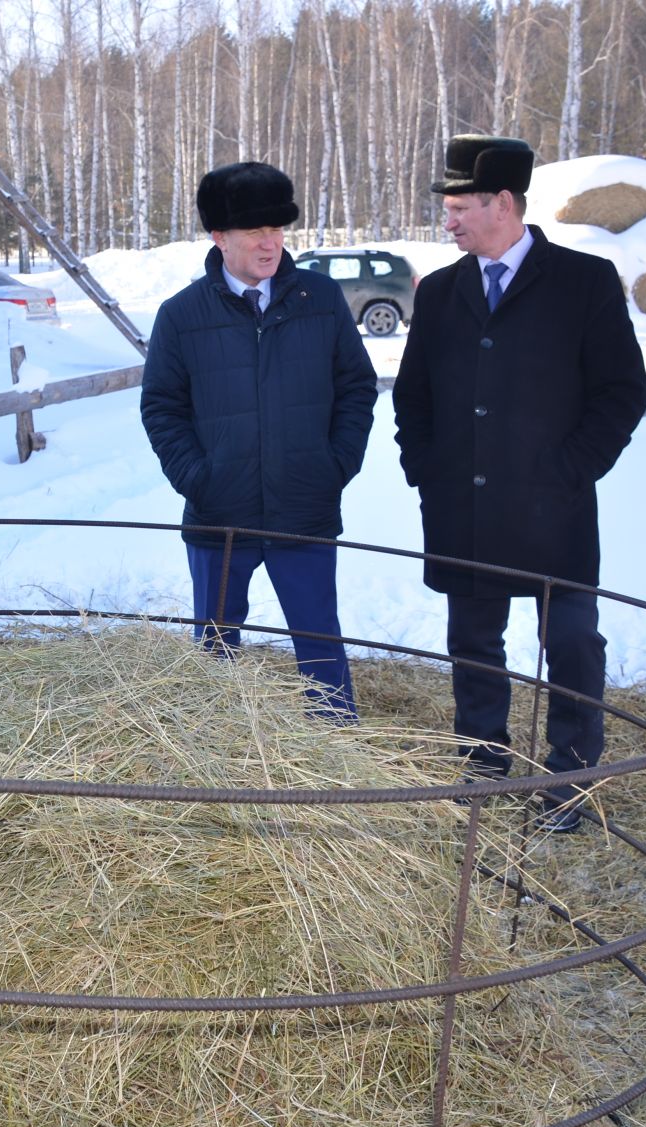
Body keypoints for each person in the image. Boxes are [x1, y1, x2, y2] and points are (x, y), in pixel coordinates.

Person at [391, 135, 646, 831]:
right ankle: (482, 763)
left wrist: (570, 470)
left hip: (555, 512)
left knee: (570, 644)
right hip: (462, 507)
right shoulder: (441, 291)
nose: (448, 221)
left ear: (502, 203)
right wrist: (427, 472)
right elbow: (412, 397)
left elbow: (622, 393)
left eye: (458, 207)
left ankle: (571, 781)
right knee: (473, 643)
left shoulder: (584, 282)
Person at [140, 162, 377, 718]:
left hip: (305, 504)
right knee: (215, 647)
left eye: (277, 230)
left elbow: (357, 387)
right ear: (220, 237)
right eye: (254, 232)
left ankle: (337, 745)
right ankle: (219, 749)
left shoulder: (318, 299)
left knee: (319, 639)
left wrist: (334, 464)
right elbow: (162, 408)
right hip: (220, 513)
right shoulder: (181, 315)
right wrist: (199, 479)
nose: (270, 244)